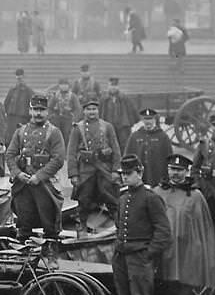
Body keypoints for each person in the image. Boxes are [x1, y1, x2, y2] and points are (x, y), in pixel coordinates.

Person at [113, 155, 172, 295]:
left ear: (140, 172)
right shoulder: (122, 198)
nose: (125, 178)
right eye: (123, 174)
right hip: (122, 256)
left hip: (140, 257)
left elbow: (164, 232)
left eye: (129, 174)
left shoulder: (151, 198)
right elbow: (119, 227)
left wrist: (148, 255)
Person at [155, 153, 215, 295]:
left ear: (187, 172)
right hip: (162, 256)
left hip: (185, 257)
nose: (175, 173)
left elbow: (203, 230)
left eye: (179, 170)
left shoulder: (196, 197)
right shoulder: (157, 193)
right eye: (172, 169)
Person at [6, 95, 66, 243]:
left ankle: (50, 252)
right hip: (24, 184)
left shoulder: (54, 132)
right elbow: (10, 155)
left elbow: (58, 159)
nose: (38, 113)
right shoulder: (20, 132)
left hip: (45, 183)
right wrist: (18, 173)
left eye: (42, 110)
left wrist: (39, 177)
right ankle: (22, 252)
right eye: (35, 109)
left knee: (49, 219)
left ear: (47, 112)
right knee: (23, 219)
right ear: (30, 110)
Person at [68, 98, 122, 232]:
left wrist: (116, 170)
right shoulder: (78, 128)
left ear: (98, 111)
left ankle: (119, 226)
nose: (91, 112)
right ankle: (82, 226)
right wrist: (73, 174)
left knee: (111, 199)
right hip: (86, 171)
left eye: (94, 109)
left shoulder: (107, 126)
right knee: (84, 200)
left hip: (104, 169)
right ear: (84, 111)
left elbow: (116, 149)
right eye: (88, 109)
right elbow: (71, 152)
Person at [123, 109, 171, 188]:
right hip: (139, 177)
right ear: (142, 120)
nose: (148, 122)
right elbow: (127, 157)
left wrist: (166, 178)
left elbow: (169, 157)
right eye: (145, 119)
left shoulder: (163, 137)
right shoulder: (135, 136)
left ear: (154, 119)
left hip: (157, 176)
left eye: (150, 119)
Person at [100, 77, 139, 152]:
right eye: (111, 85)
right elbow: (100, 113)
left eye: (115, 86)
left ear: (118, 87)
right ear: (108, 86)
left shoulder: (125, 98)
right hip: (109, 127)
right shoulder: (104, 99)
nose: (113, 88)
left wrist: (129, 123)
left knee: (124, 146)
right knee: (109, 145)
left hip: (123, 128)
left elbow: (133, 112)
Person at [46, 79, 81, 147]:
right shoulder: (56, 95)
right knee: (56, 135)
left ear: (68, 86)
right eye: (62, 85)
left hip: (68, 119)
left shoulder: (72, 96)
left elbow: (77, 108)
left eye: (65, 85)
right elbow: (49, 107)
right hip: (57, 119)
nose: (64, 87)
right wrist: (51, 116)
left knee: (67, 136)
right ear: (59, 86)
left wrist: (74, 119)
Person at [3, 68, 34, 142]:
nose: (19, 80)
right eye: (18, 79)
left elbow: (32, 105)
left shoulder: (28, 91)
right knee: (10, 139)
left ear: (24, 78)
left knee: (21, 138)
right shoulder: (12, 90)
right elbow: (6, 104)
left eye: (21, 78)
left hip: (23, 119)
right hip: (11, 119)